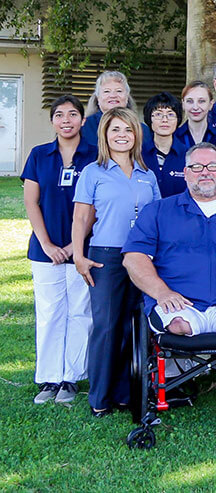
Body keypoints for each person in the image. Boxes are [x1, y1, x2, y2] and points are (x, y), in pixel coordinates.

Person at [121, 142, 216, 352]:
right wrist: (162, 293)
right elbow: (134, 257)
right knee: (178, 326)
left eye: (212, 166)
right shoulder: (158, 212)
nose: (205, 173)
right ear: (185, 173)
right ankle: (175, 372)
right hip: (179, 303)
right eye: (196, 167)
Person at [71, 107, 162, 417]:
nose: (122, 135)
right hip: (105, 257)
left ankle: (125, 394)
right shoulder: (93, 172)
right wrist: (79, 256)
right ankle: (100, 397)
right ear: (105, 136)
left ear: (136, 135)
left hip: (141, 258)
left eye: (128, 130)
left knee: (132, 327)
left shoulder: (146, 174)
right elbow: (82, 216)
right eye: (115, 130)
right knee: (106, 327)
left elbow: (156, 217)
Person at [23, 95, 97, 405]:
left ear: (82, 119)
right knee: (50, 313)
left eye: (72, 114)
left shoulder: (95, 156)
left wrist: (72, 246)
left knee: (80, 312)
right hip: (46, 251)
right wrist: (48, 245)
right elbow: (31, 201)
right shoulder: (40, 155)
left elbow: (96, 205)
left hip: (82, 249)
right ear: (52, 121)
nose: (65, 120)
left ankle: (72, 377)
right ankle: (49, 378)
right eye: (59, 115)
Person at [81, 71, 147, 149]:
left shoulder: (142, 130)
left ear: (127, 97)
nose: (113, 95)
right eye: (107, 91)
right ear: (98, 98)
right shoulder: (84, 127)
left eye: (119, 91)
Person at [141, 92, 190, 197]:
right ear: (149, 118)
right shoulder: (138, 154)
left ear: (178, 120)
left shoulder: (188, 155)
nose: (165, 120)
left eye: (170, 114)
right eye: (158, 114)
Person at [177, 81, 216, 149]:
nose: (195, 107)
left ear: (210, 104)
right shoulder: (173, 138)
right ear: (183, 104)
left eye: (201, 101)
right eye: (190, 101)